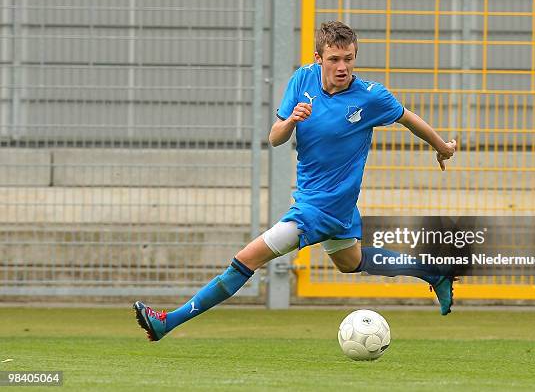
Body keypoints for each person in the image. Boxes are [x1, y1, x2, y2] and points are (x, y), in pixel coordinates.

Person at [134, 21, 457, 341]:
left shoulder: (371, 97)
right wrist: (291, 120)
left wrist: (441, 147)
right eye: (334, 59)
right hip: (317, 199)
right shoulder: (302, 79)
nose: (342, 67)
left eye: (349, 58)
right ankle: (434, 272)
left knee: (246, 259)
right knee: (351, 262)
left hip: (322, 208)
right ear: (319, 58)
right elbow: (275, 138)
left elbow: (408, 118)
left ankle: (168, 322)